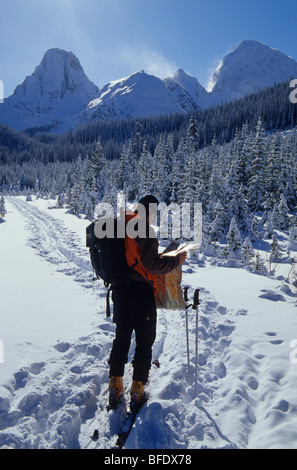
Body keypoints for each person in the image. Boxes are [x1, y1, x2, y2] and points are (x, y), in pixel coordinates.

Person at [108, 194, 187, 411]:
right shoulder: (145, 230)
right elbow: (151, 266)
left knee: (122, 337)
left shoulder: (121, 223)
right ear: (151, 212)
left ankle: (115, 386)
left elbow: (134, 255)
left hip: (120, 290)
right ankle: (138, 389)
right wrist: (175, 260)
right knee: (144, 341)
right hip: (140, 292)